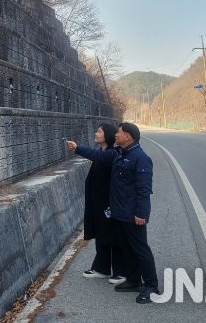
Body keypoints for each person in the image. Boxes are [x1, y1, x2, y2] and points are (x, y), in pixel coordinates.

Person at [67, 122, 159, 304]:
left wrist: (141, 214)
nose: (116, 135)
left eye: (120, 132)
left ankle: (151, 286)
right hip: (120, 213)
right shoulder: (120, 154)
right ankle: (133, 281)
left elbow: (144, 190)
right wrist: (78, 148)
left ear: (128, 137)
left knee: (140, 250)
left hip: (133, 215)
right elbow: (98, 155)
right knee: (127, 249)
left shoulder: (140, 158)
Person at [74, 123, 126, 284]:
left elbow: (96, 155)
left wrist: (77, 148)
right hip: (99, 203)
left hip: (108, 204)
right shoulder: (103, 152)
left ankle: (121, 272)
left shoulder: (111, 153)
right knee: (102, 236)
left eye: (99, 131)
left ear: (107, 135)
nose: (96, 133)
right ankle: (101, 269)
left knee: (113, 237)